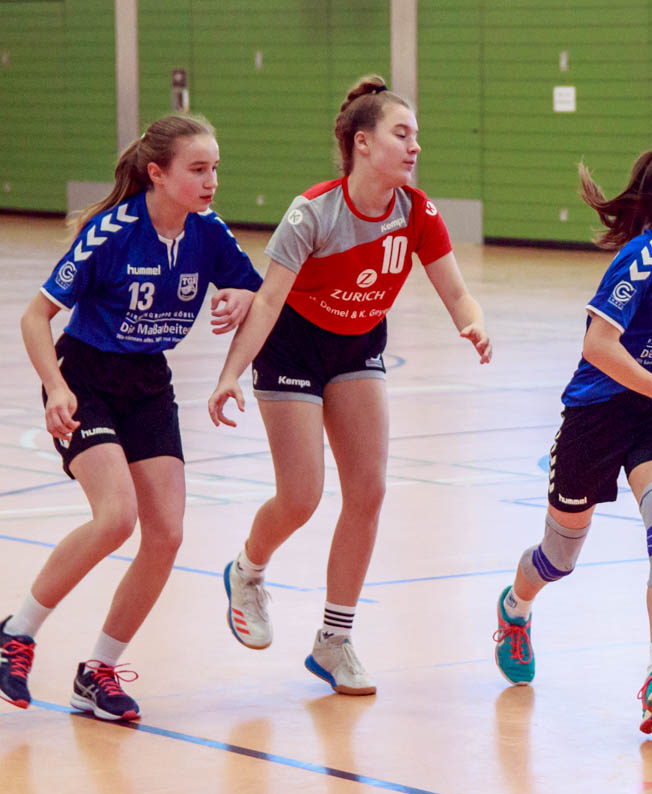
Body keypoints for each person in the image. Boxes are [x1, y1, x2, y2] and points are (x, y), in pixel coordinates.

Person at [208, 75, 491, 696]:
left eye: (416, 135)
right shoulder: (314, 212)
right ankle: (248, 570)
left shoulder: (417, 212)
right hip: (293, 343)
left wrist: (471, 321)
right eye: (402, 134)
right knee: (302, 496)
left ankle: (334, 642)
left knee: (369, 491)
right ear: (363, 143)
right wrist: (229, 375)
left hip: (357, 344)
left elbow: (455, 291)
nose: (415, 146)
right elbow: (268, 301)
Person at [0, 115, 262, 719]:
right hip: (85, 378)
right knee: (117, 517)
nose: (211, 181)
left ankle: (98, 672)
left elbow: (258, 292)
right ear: (157, 174)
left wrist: (244, 295)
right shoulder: (112, 232)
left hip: (148, 382)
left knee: (166, 534)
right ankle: (17, 633)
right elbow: (35, 317)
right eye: (198, 169)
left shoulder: (208, 233)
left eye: (215, 169)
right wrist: (56, 388)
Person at [492, 149, 652, 735]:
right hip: (595, 415)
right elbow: (597, 345)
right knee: (559, 558)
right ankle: (516, 608)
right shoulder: (640, 259)